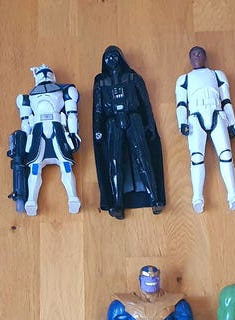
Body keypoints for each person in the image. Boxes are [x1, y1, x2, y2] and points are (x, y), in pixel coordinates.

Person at [93, 46, 165, 220]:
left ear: (121, 57)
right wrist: (97, 129)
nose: (111, 59)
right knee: (114, 161)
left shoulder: (133, 77)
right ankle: (117, 203)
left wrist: (150, 124)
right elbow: (98, 110)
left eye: (114, 55)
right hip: (112, 122)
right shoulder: (101, 83)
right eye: (107, 56)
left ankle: (154, 198)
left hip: (133, 119)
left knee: (142, 157)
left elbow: (146, 104)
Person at [175, 46, 235, 213]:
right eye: (193, 54)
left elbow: (226, 100)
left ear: (205, 57)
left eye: (200, 53)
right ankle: (197, 197)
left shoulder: (217, 75)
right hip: (195, 117)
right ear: (190, 59)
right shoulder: (184, 79)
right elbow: (181, 104)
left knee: (226, 155)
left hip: (217, 114)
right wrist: (182, 122)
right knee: (196, 157)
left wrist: (232, 123)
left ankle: (233, 194)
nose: (197, 56)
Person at [15, 64, 81, 216]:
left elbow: (72, 114)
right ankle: (31, 200)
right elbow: (25, 122)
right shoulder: (26, 98)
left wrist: (73, 134)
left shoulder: (65, 91)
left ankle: (73, 197)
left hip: (57, 130)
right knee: (35, 168)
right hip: (39, 133)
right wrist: (26, 141)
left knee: (66, 166)